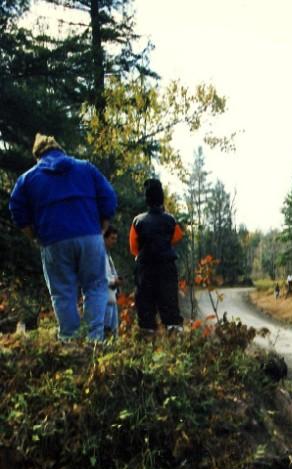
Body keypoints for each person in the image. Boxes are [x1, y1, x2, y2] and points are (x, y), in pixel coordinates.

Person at [9, 133, 117, 341]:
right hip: (89, 235)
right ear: (60, 149)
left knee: (62, 293)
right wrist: (102, 227)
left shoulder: (28, 179)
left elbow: (16, 208)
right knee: (95, 287)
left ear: (37, 155)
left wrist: (33, 235)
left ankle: (70, 340)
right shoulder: (86, 167)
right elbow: (109, 197)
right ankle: (94, 340)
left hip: (54, 241)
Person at [129, 178, 184, 333]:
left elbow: (133, 248)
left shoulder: (137, 221)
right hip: (167, 269)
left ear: (146, 198)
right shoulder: (170, 220)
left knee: (145, 312)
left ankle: (147, 347)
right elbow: (177, 237)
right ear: (162, 198)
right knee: (171, 309)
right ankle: (176, 345)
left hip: (145, 270)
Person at [103, 225, 121, 337]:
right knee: (106, 332)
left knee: (114, 333)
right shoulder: (100, 255)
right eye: (112, 238)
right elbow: (100, 278)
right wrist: (113, 282)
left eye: (116, 239)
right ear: (104, 238)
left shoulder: (108, 255)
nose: (114, 241)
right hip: (104, 300)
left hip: (112, 298)